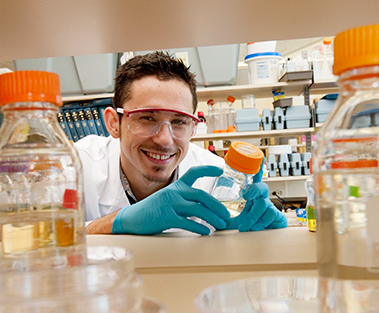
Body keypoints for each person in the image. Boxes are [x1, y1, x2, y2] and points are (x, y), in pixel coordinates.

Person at [74, 51, 287, 235]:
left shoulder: (220, 181)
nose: (165, 139)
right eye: (147, 118)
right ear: (113, 123)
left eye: (179, 122)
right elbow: (43, 238)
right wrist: (117, 223)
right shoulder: (75, 166)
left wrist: (259, 236)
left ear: (193, 128)